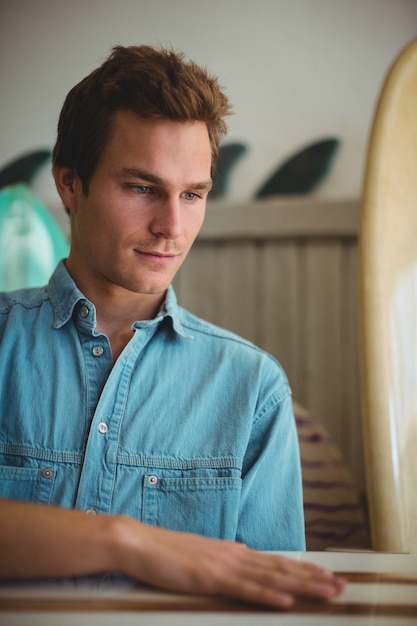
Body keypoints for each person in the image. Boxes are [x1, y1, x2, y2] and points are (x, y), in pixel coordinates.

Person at [0, 45, 345, 608]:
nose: (172, 227)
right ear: (69, 184)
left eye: (193, 194)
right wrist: (124, 541)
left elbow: (276, 599)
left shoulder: (252, 389)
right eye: (141, 188)